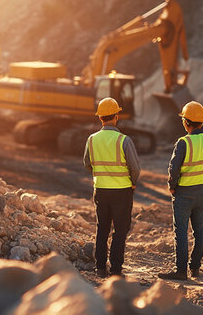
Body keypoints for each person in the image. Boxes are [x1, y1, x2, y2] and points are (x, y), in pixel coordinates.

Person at [159, 101, 203, 281]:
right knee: (199, 232)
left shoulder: (183, 142)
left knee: (181, 232)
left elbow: (173, 169)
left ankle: (181, 271)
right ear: (202, 122)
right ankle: (195, 268)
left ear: (185, 122)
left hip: (184, 193)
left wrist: (172, 186)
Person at [83, 97, 140, 278]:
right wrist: (132, 182)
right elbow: (135, 168)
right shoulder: (124, 140)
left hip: (101, 190)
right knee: (120, 230)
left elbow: (87, 163)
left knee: (102, 229)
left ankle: (100, 268)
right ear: (116, 116)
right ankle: (115, 270)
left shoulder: (91, 139)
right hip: (122, 191)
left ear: (100, 118)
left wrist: (101, 173)